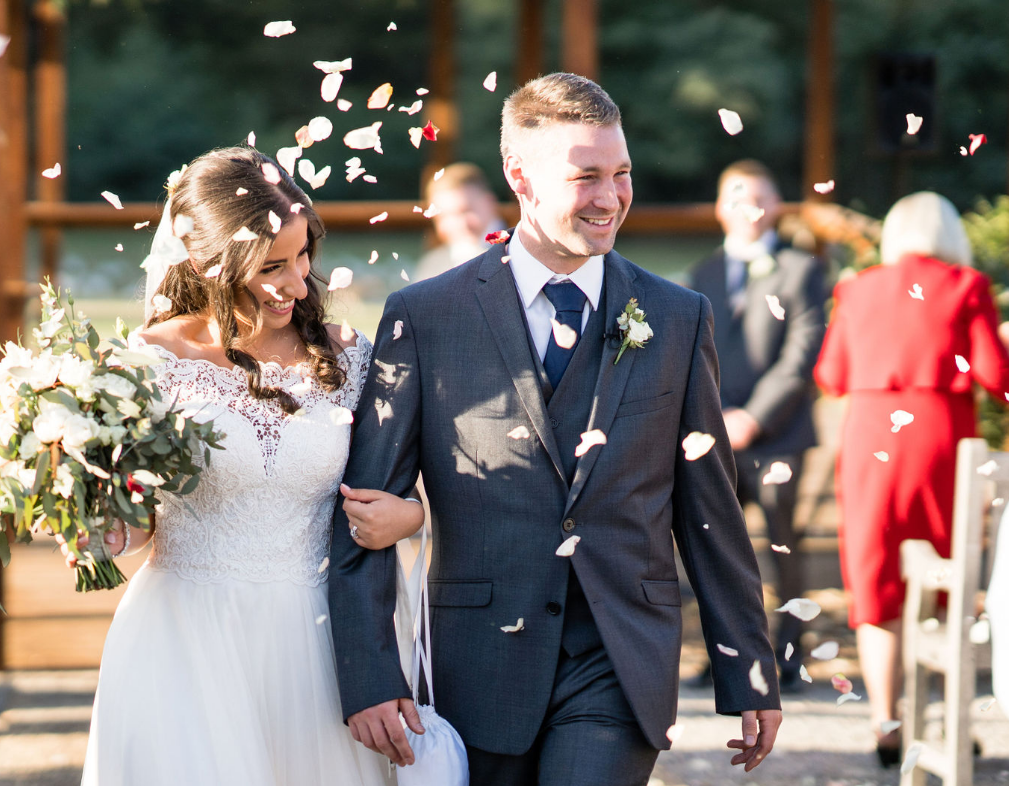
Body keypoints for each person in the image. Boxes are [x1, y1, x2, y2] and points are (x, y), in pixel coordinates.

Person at [329, 73, 782, 786]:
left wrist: (748, 667)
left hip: (620, 655)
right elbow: (360, 504)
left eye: (622, 173)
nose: (610, 197)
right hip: (477, 661)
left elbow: (709, 507)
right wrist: (369, 676)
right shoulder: (428, 315)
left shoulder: (676, 315)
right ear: (521, 177)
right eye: (587, 177)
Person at [80, 146, 425, 786]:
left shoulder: (350, 360)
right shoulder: (148, 363)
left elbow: (407, 485)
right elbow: (134, 522)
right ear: (206, 259)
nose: (298, 282)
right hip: (184, 638)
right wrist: (97, 528)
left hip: (318, 642)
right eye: (273, 265)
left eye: (303, 257)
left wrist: (411, 516)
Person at [814, 191, 1009, 766]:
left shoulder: (857, 287)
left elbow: (830, 374)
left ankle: (887, 723)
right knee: (942, 582)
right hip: (939, 443)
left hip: (872, 438)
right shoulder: (965, 285)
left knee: (877, 583)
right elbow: (996, 376)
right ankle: (940, 720)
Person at [685, 160, 825, 689]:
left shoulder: (801, 269)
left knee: (781, 542)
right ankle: (725, 655)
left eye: (762, 196)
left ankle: (788, 651)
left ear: (776, 205)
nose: (751, 207)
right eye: (739, 196)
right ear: (722, 207)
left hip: (779, 434)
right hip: (712, 433)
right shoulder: (701, 273)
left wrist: (753, 418)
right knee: (713, 545)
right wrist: (712, 420)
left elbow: (800, 356)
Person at [414, 162, 505, 281]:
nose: (459, 224)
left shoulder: (519, 250)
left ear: (489, 202)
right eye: (445, 216)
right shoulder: (431, 268)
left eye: (465, 211)